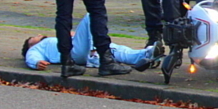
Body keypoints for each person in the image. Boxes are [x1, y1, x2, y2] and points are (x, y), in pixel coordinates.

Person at [22, 14, 158, 71]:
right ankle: (94, 55)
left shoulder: (54, 39)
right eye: (33, 37)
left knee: (114, 50)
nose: (38, 35)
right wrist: (36, 63)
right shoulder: (39, 46)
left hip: (77, 48)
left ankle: (145, 54)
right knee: (91, 15)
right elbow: (31, 56)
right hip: (73, 53)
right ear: (30, 44)